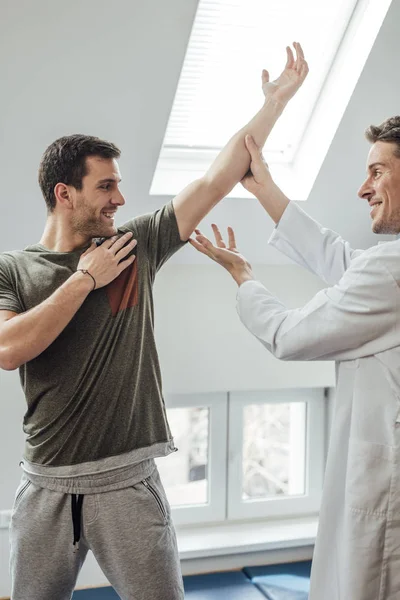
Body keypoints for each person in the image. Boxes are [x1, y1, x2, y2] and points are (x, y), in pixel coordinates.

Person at [0, 44, 308, 600]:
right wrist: (85, 280)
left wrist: (276, 105)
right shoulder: (11, 269)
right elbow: (7, 349)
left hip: (127, 484)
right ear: (63, 194)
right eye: (106, 187)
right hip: (45, 486)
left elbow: (216, 180)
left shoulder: (135, 246)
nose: (121, 198)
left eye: (119, 185)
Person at [190, 119, 400, 600]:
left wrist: (244, 277)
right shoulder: (387, 269)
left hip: (384, 500)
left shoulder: (390, 271)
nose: (362, 188)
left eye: (377, 172)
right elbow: (345, 262)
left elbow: (289, 335)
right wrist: (267, 192)